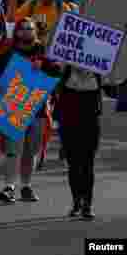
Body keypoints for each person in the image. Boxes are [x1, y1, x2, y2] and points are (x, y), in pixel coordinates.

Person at [0, 18, 60, 204]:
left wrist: (43, 66)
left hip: (38, 109)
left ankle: (26, 186)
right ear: (17, 32)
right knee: (13, 150)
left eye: (30, 28)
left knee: (31, 151)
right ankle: (9, 187)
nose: (27, 32)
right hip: (14, 108)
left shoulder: (43, 50)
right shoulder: (8, 52)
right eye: (23, 29)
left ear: (35, 31)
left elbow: (57, 71)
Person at [57, 63, 104, 220]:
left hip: (90, 121)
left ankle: (87, 205)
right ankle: (77, 201)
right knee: (73, 163)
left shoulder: (98, 71)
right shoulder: (66, 69)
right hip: (69, 121)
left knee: (88, 163)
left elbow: (114, 82)